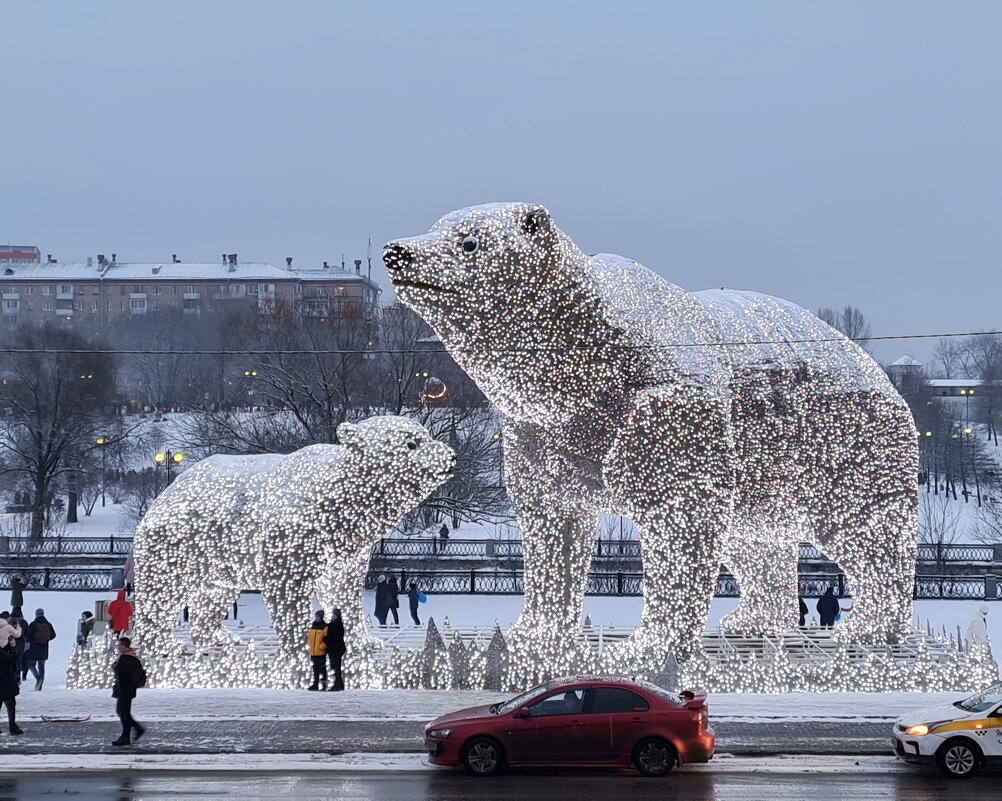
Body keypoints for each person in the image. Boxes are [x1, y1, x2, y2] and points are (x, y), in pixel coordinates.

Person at [111, 636, 146, 746]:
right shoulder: (128, 656)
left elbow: (123, 673)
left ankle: (128, 734)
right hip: (126, 689)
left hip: (125, 689)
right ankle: (133, 730)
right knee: (122, 711)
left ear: (123, 646)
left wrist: (115, 667)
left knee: (124, 712)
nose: (117, 647)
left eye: (119, 645)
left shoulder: (127, 658)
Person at [24, 608, 56, 690]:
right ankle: (40, 685)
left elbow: (28, 635)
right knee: (41, 666)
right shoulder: (48, 624)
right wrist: (45, 640)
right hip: (44, 648)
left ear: (36, 614)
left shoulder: (33, 624)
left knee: (31, 664)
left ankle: (38, 678)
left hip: (34, 648)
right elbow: (53, 635)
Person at [1, 634, 23, 735]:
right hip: (6, 685)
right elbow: (14, 657)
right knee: (11, 706)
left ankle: (12, 727)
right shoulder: (3, 655)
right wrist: (13, 647)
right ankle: (12, 727)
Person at [324, 608, 346, 691]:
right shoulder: (334, 624)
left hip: (335, 648)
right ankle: (339, 683)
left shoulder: (336, 625)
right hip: (336, 648)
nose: (332, 616)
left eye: (333, 615)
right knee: (336, 666)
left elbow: (334, 637)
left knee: (335, 666)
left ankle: (337, 684)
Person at [307, 611, 328, 691]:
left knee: (322, 669)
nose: (317, 618)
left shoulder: (325, 627)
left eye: (319, 617)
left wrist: (323, 645)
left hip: (321, 651)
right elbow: (309, 637)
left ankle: (323, 685)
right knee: (315, 668)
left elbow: (326, 638)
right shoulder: (313, 626)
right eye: (317, 616)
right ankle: (315, 684)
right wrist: (309, 644)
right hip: (313, 651)